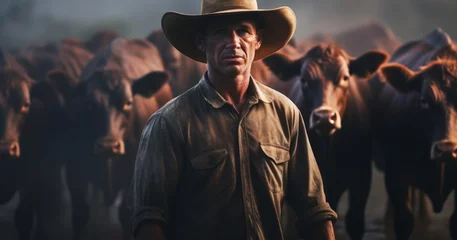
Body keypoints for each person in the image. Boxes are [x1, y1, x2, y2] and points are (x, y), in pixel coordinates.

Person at [129, 0, 338, 239]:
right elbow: (149, 219)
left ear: (257, 39)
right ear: (201, 42)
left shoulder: (285, 113)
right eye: (219, 32)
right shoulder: (169, 122)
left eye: (243, 31)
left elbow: (314, 209)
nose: (234, 43)